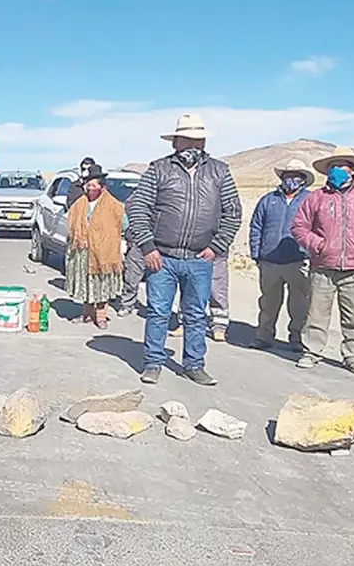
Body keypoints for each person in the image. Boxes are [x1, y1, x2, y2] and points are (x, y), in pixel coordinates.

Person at [126, 114, 243, 386]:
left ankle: (194, 364)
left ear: (203, 141)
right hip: (162, 257)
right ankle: (153, 362)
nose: (192, 144)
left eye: (197, 139)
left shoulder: (219, 171)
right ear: (175, 142)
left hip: (200, 258)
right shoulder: (158, 169)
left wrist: (217, 246)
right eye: (186, 139)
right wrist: (147, 247)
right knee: (158, 312)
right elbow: (139, 208)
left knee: (195, 314)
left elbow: (233, 212)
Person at [291, 147, 354, 374]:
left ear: (353, 170)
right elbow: (299, 226)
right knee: (316, 313)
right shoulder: (316, 197)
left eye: (342, 166)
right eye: (332, 167)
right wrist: (318, 245)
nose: (337, 170)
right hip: (322, 266)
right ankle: (312, 352)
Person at [248, 158, 312, 351]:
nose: (291, 179)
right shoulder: (268, 200)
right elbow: (256, 227)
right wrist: (256, 254)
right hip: (269, 261)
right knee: (268, 302)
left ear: (303, 179)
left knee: (299, 304)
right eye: (288, 175)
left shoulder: (310, 200)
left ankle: (297, 338)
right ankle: (264, 336)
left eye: (296, 176)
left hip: (298, 260)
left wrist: (311, 254)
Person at [64, 164, 126, 328]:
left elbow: (123, 224)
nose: (91, 188)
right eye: (88, 185)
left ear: (102, 187)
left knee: (101, 284)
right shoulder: (80, 203)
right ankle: (87, 313)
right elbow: (71, 222)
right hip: (84, 251)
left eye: (94, 185)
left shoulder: (113, 205)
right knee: (86, 283)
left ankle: (101, 316)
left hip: (104, 252)